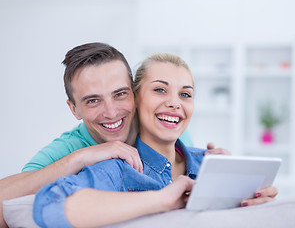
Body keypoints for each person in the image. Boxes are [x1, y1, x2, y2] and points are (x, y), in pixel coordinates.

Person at [33, 53, 278, 227]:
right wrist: (161, 200)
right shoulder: (120, 168)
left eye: (185, 94)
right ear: (134, 99)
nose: (175, 102)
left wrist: (254, 202)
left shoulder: (211, 163)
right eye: (160, 90)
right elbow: (47, 204)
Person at [0, 43, 226, 227]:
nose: (111, 112)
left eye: (120, 94)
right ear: (74, 109)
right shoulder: (69, 151)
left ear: (135, 95)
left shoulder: (169, 131)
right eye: (93, 100)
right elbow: (20, 209)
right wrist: (81, 157)